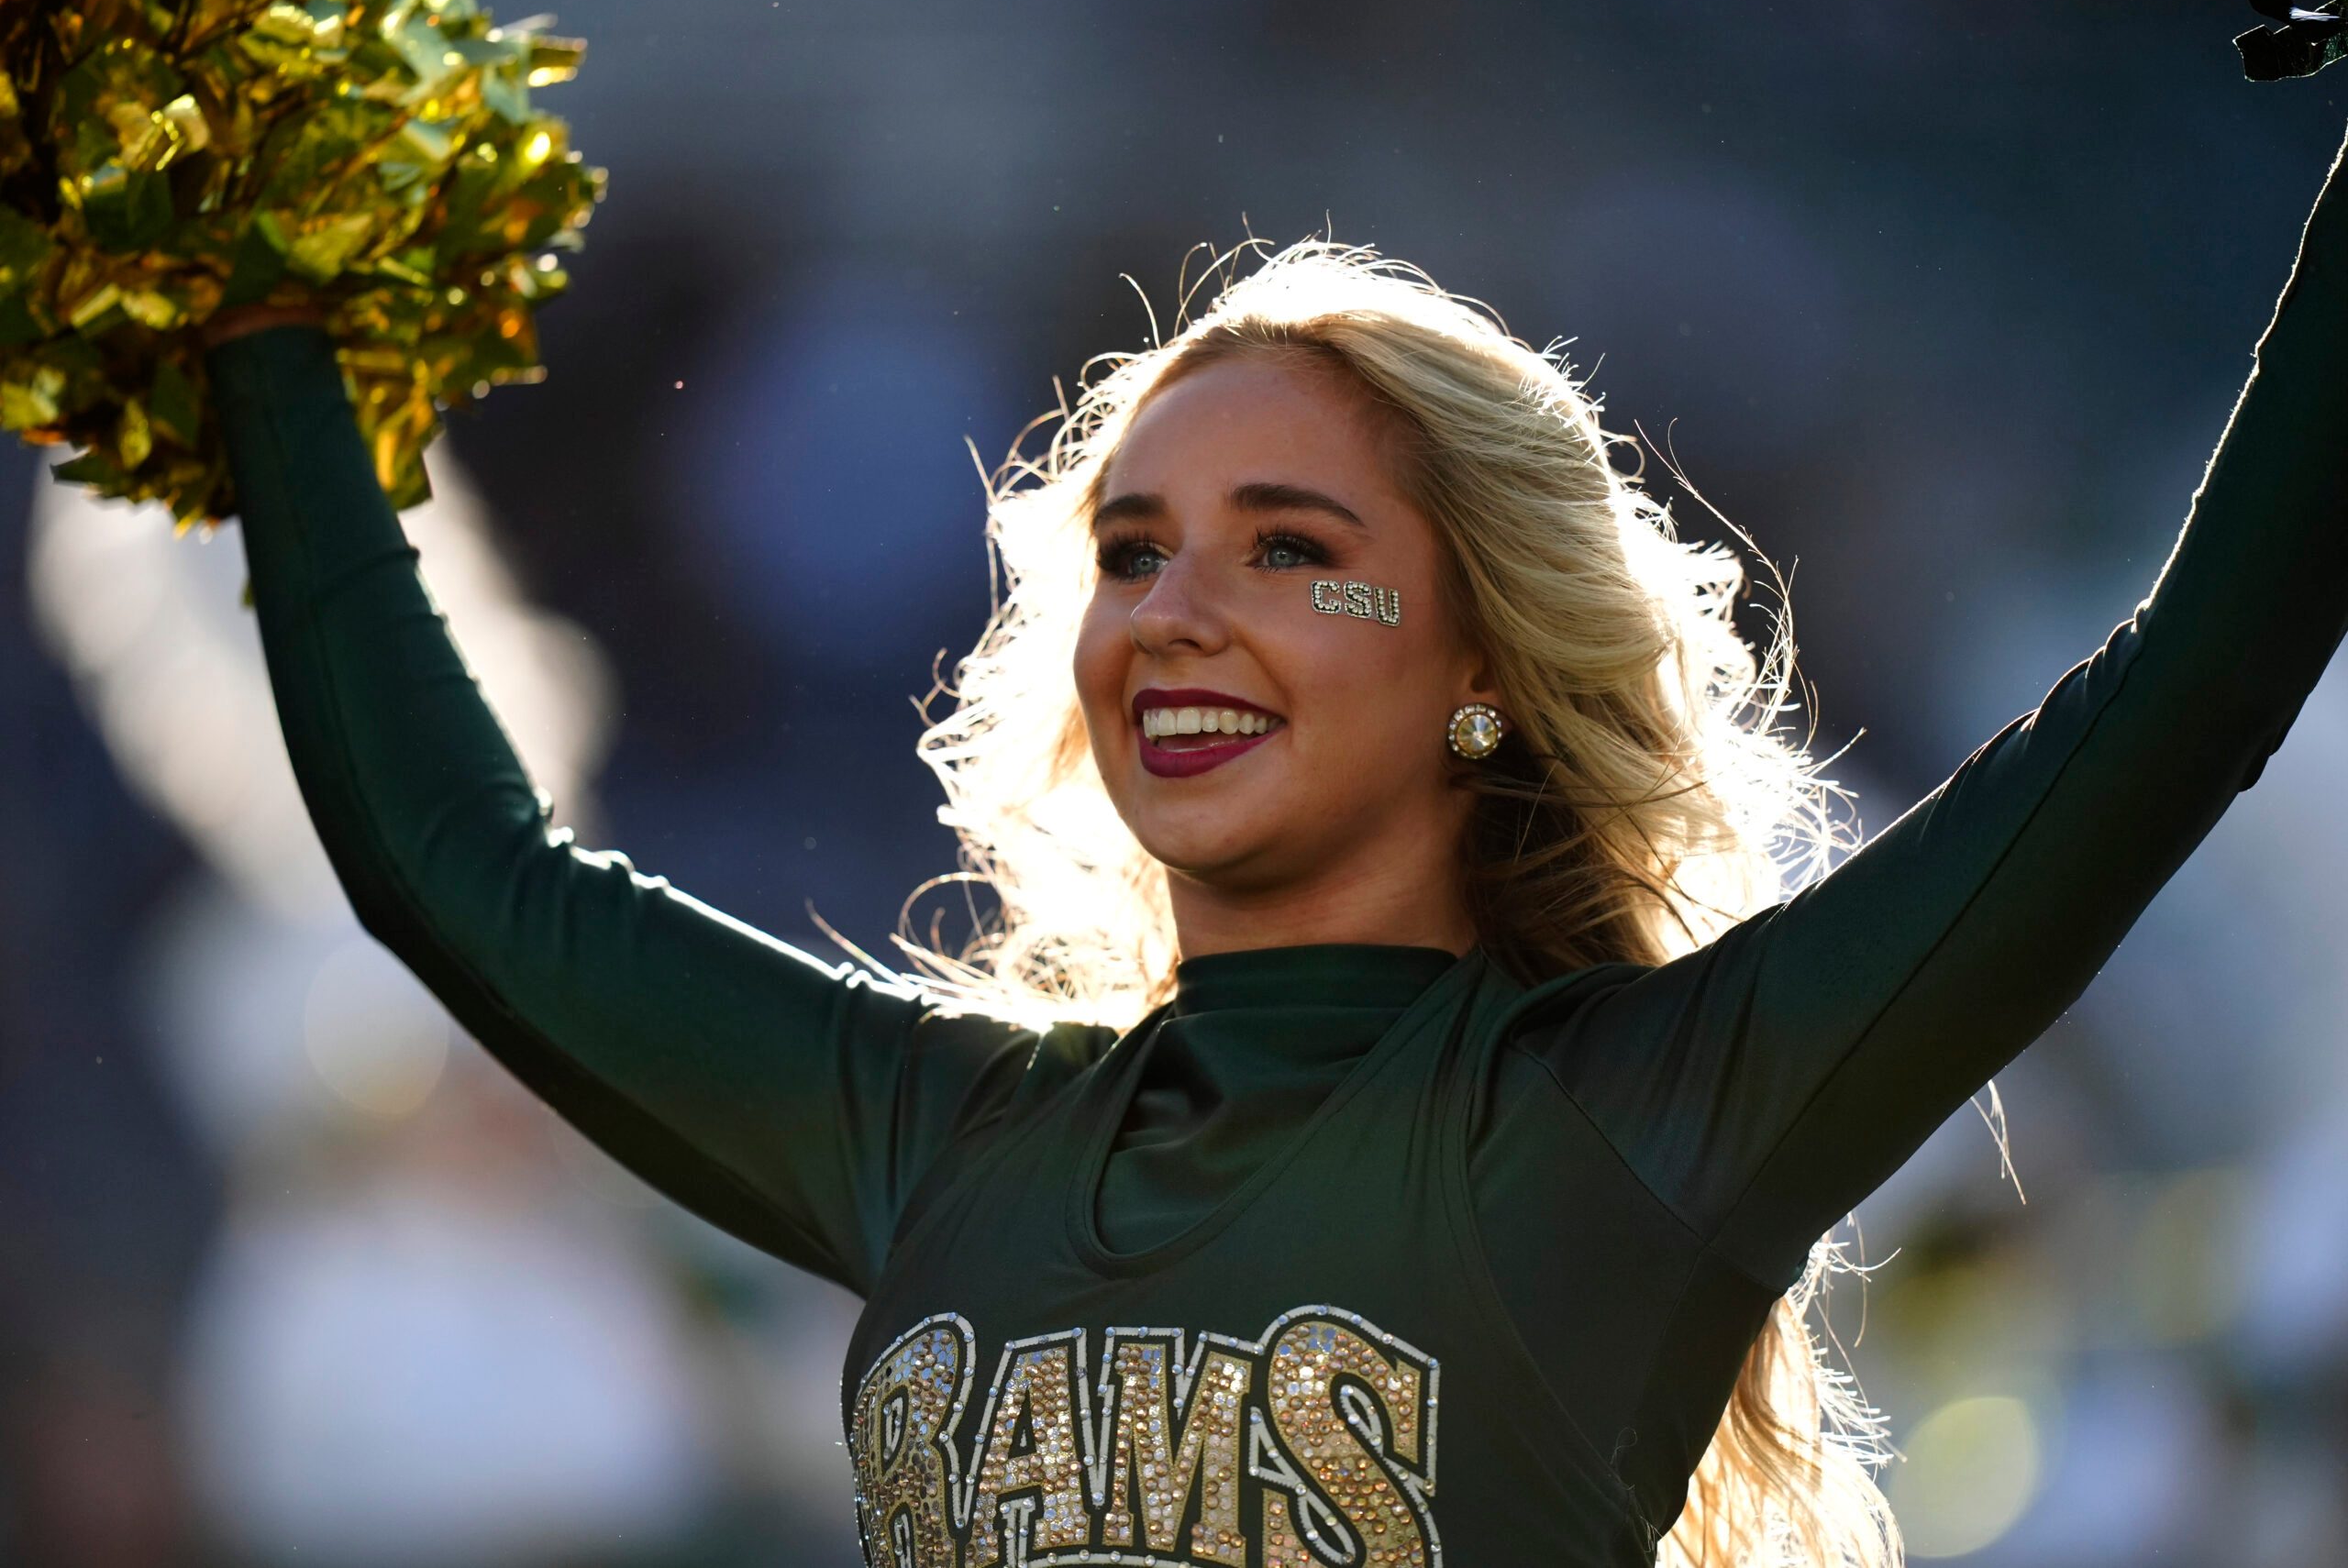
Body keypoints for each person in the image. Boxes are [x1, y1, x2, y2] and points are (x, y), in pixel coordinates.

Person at [191, 112, 2348, 1566]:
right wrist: (273, 319)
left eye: (1289, 546)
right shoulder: (938, 1132)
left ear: (1480, 664)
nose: (1175, 608)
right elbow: (454, 875)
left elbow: (2180, 696)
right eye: (1129, 549)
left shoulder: (1627, 1118)